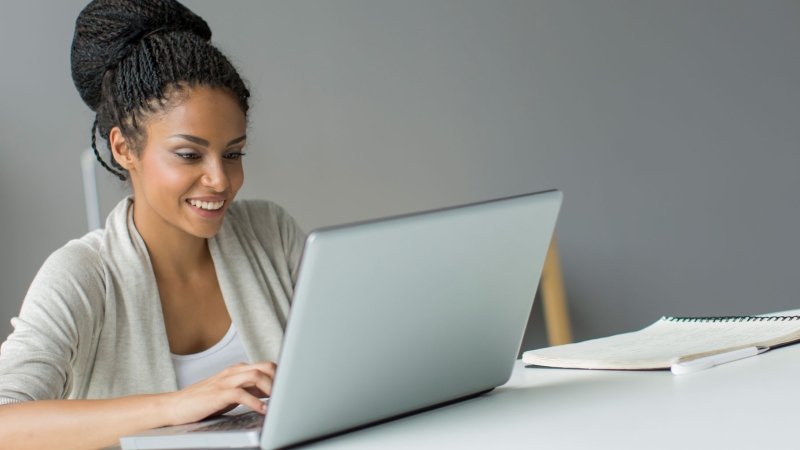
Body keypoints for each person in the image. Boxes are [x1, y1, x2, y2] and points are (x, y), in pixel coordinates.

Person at [0, 1, 306, 448]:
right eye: (189, 154)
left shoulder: (269, 231)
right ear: (124, 149)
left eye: (233, 153)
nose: (220, 179)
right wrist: (174, 405)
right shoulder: (82, 274)